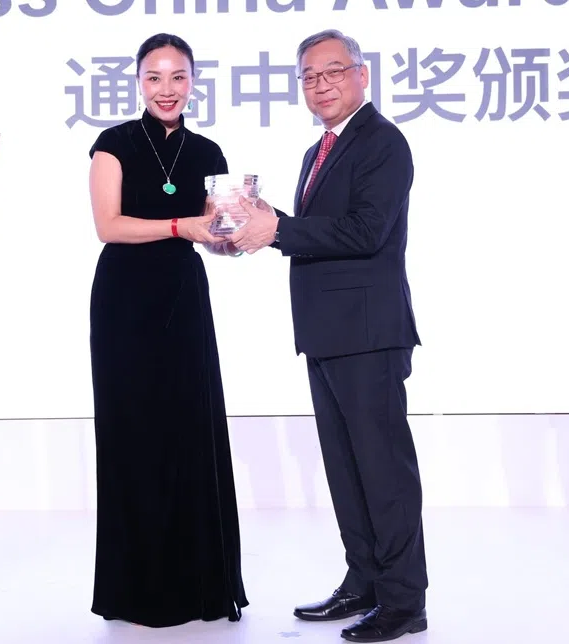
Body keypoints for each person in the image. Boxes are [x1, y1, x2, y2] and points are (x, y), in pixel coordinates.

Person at [229, 29, 428, 643]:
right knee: (346, 467)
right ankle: (364, 580)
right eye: (310, 76)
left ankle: (403, 602)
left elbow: (366, 231)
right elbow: (317, 231)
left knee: (383, 469)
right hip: (327, 333)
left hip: (368, 334)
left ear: (361, 75)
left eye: (333, 71)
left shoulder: (383, 143)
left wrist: (279, 231)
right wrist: (254, 227)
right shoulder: (322, 148)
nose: (321, 84)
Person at [86, 32, 249, 628]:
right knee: (133, 431)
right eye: (154, 77)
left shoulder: (208, 151)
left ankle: (200, 584)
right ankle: (136, 590)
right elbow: (108, 225)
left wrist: (236, 236)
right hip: (125, 300)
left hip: (183, 296)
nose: (166, 89)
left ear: (192, 82)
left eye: (178, 77)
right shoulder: (114, 143)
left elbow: (220, 235)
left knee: (189, 427)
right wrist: (185, 226)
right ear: (137, 81)